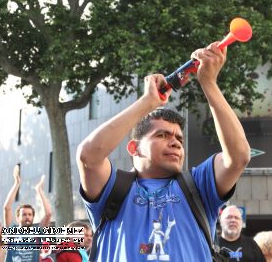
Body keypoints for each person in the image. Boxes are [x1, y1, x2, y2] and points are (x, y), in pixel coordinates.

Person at [76, 41, 251, 261]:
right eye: (162, 135)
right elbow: (88, 157)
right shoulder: (112, 188)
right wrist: (147, 103)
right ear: (134, 148)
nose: (176, 143)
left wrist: (209, 83)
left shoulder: (198, 185)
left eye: (178, 138)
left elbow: (239, 157)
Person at [3, 165, 52, 262]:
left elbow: (48, 213)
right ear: (17, 218)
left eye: (30, 215)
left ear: (33, 217)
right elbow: (7, 208)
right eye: (24, 214)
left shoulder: (38, 231)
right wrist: (16, 183)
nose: (27, 217)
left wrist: (39, 190)